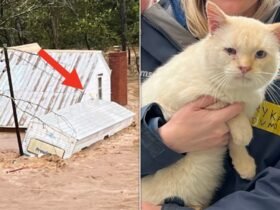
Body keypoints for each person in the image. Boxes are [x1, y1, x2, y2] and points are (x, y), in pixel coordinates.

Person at [141, 0, 280, 209]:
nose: (244, 66)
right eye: (231, 51)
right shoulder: (146, 29)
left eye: (259, 54)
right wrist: (161, 141)